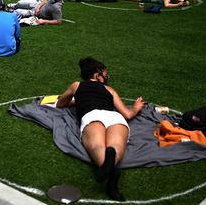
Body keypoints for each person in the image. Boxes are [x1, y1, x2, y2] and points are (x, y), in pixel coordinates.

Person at [56, 57, 144, 201]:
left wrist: (76, 102)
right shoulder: (109, 89)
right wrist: (136, 107)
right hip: (114, 117)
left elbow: (60, 103)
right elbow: (128, 114)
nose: (107, 77)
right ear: (97, 75)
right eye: (105, 74)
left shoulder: (76, 86)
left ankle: (107, 167)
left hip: (92, 115)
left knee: (96, 145)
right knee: (116, 146)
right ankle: (112, 174)